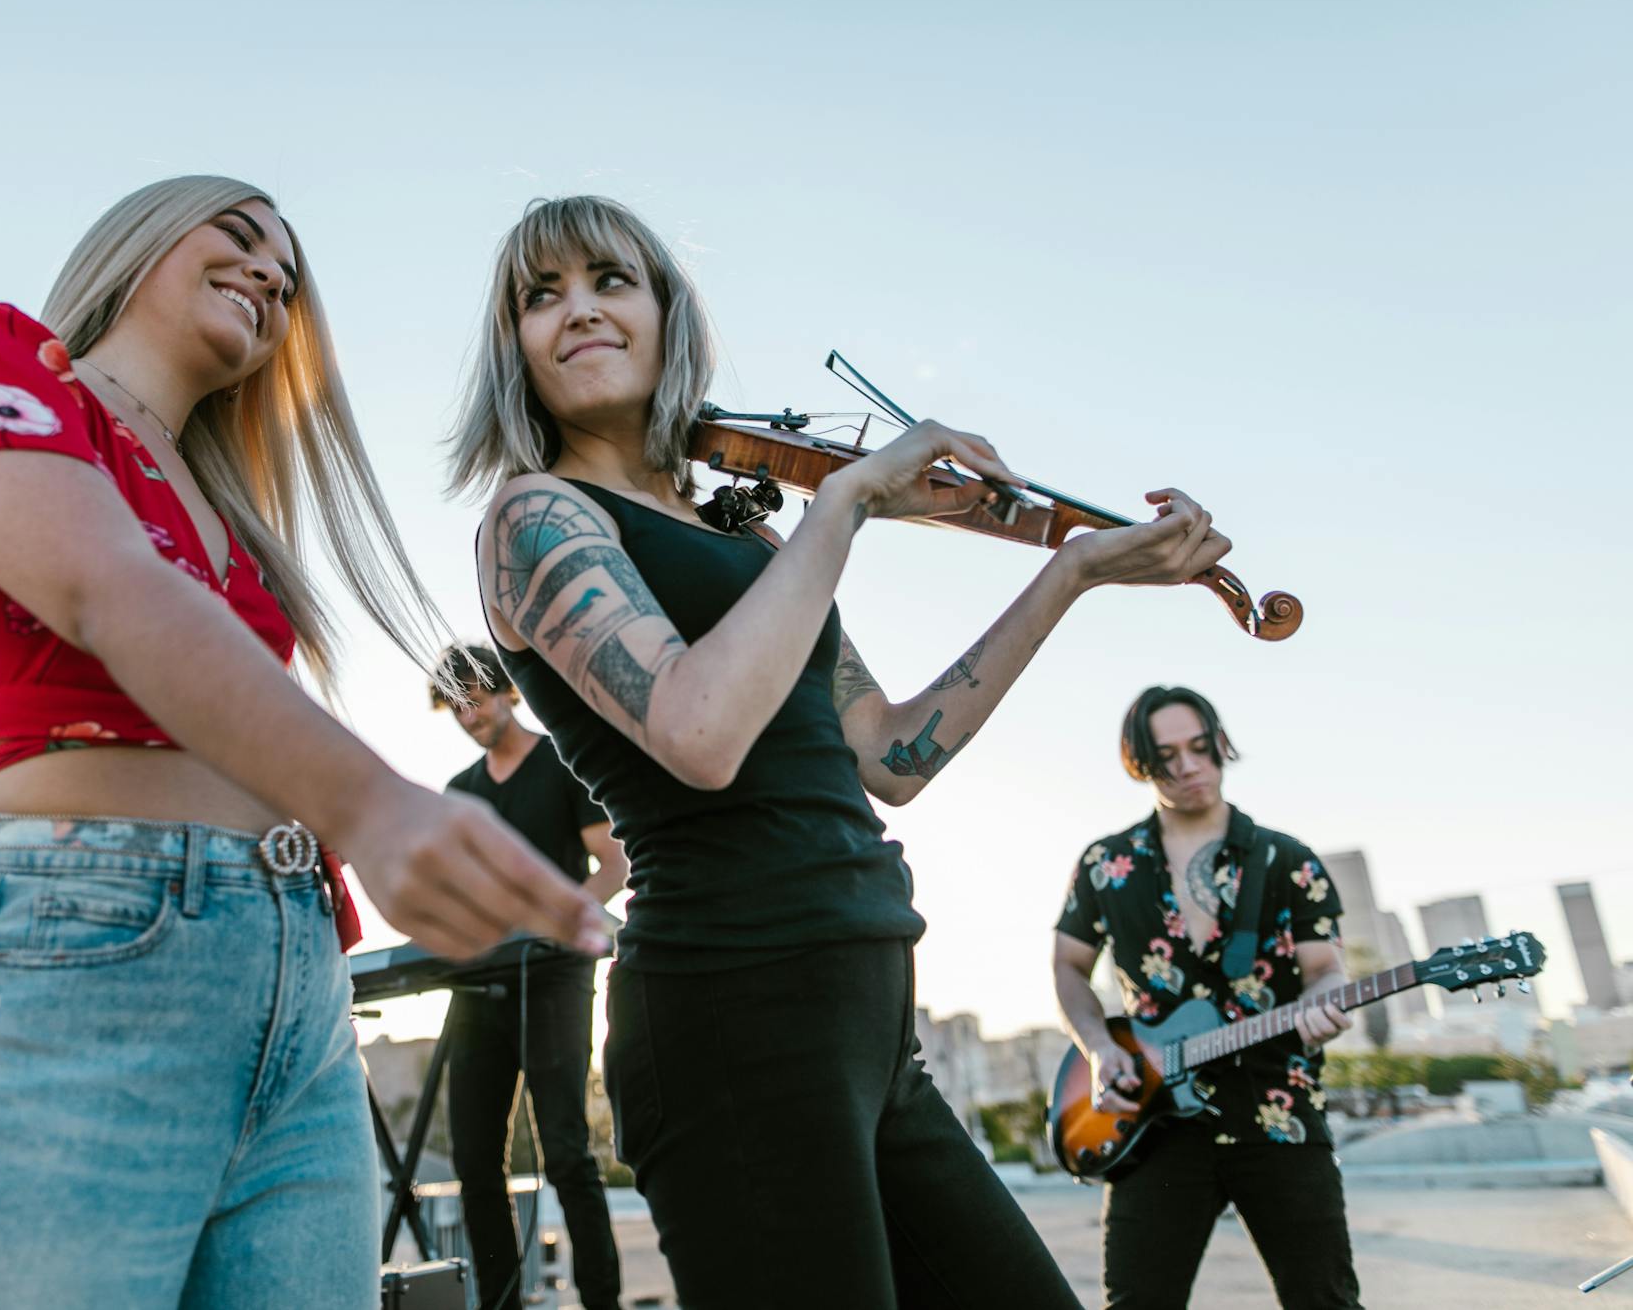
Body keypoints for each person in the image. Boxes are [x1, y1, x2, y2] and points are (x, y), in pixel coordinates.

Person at [0, 175, 604, 1310]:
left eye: (285, 279)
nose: (269, 275)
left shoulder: (239, 532)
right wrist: (374, 805)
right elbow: (102, 589)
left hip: (302, 995)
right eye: (236, 237)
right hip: (87, 945)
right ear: (132, 247)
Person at [447, 193, 1234, 1309]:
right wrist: (851, 499)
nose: (576, 311)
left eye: (608, 280)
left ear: (667, 316)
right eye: (540, 296)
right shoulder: (537, 519)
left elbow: (890, 752)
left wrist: (1069, 572)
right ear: (513, 347)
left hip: (866, 1016)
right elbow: (698, 732)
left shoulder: (751, 536)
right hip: (731, 1019)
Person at [1053, 685, 1360, 1309]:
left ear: (1220, 744)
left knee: (1323, 1301)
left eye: (1200, 747)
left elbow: (1326, 968)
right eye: (1167, 755)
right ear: (1139, 763)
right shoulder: (1107, 863)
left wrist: (1327, 1004)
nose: (1189, 766)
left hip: (1278, 1110)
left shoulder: (1286, 859)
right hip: (1154, 1123)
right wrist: (1094, 1048)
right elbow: (1067, 966)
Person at [429, 644, 627, 1310]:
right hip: (478, 980)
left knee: (567, 1149)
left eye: (475, 698)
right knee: (474, 1161)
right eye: (454, 705)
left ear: (506, 691)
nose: (467, 713)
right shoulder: (460, 792)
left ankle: (602, 1299)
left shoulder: (561, 759)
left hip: (555, 974)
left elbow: (611, 863)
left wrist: (561, 916)